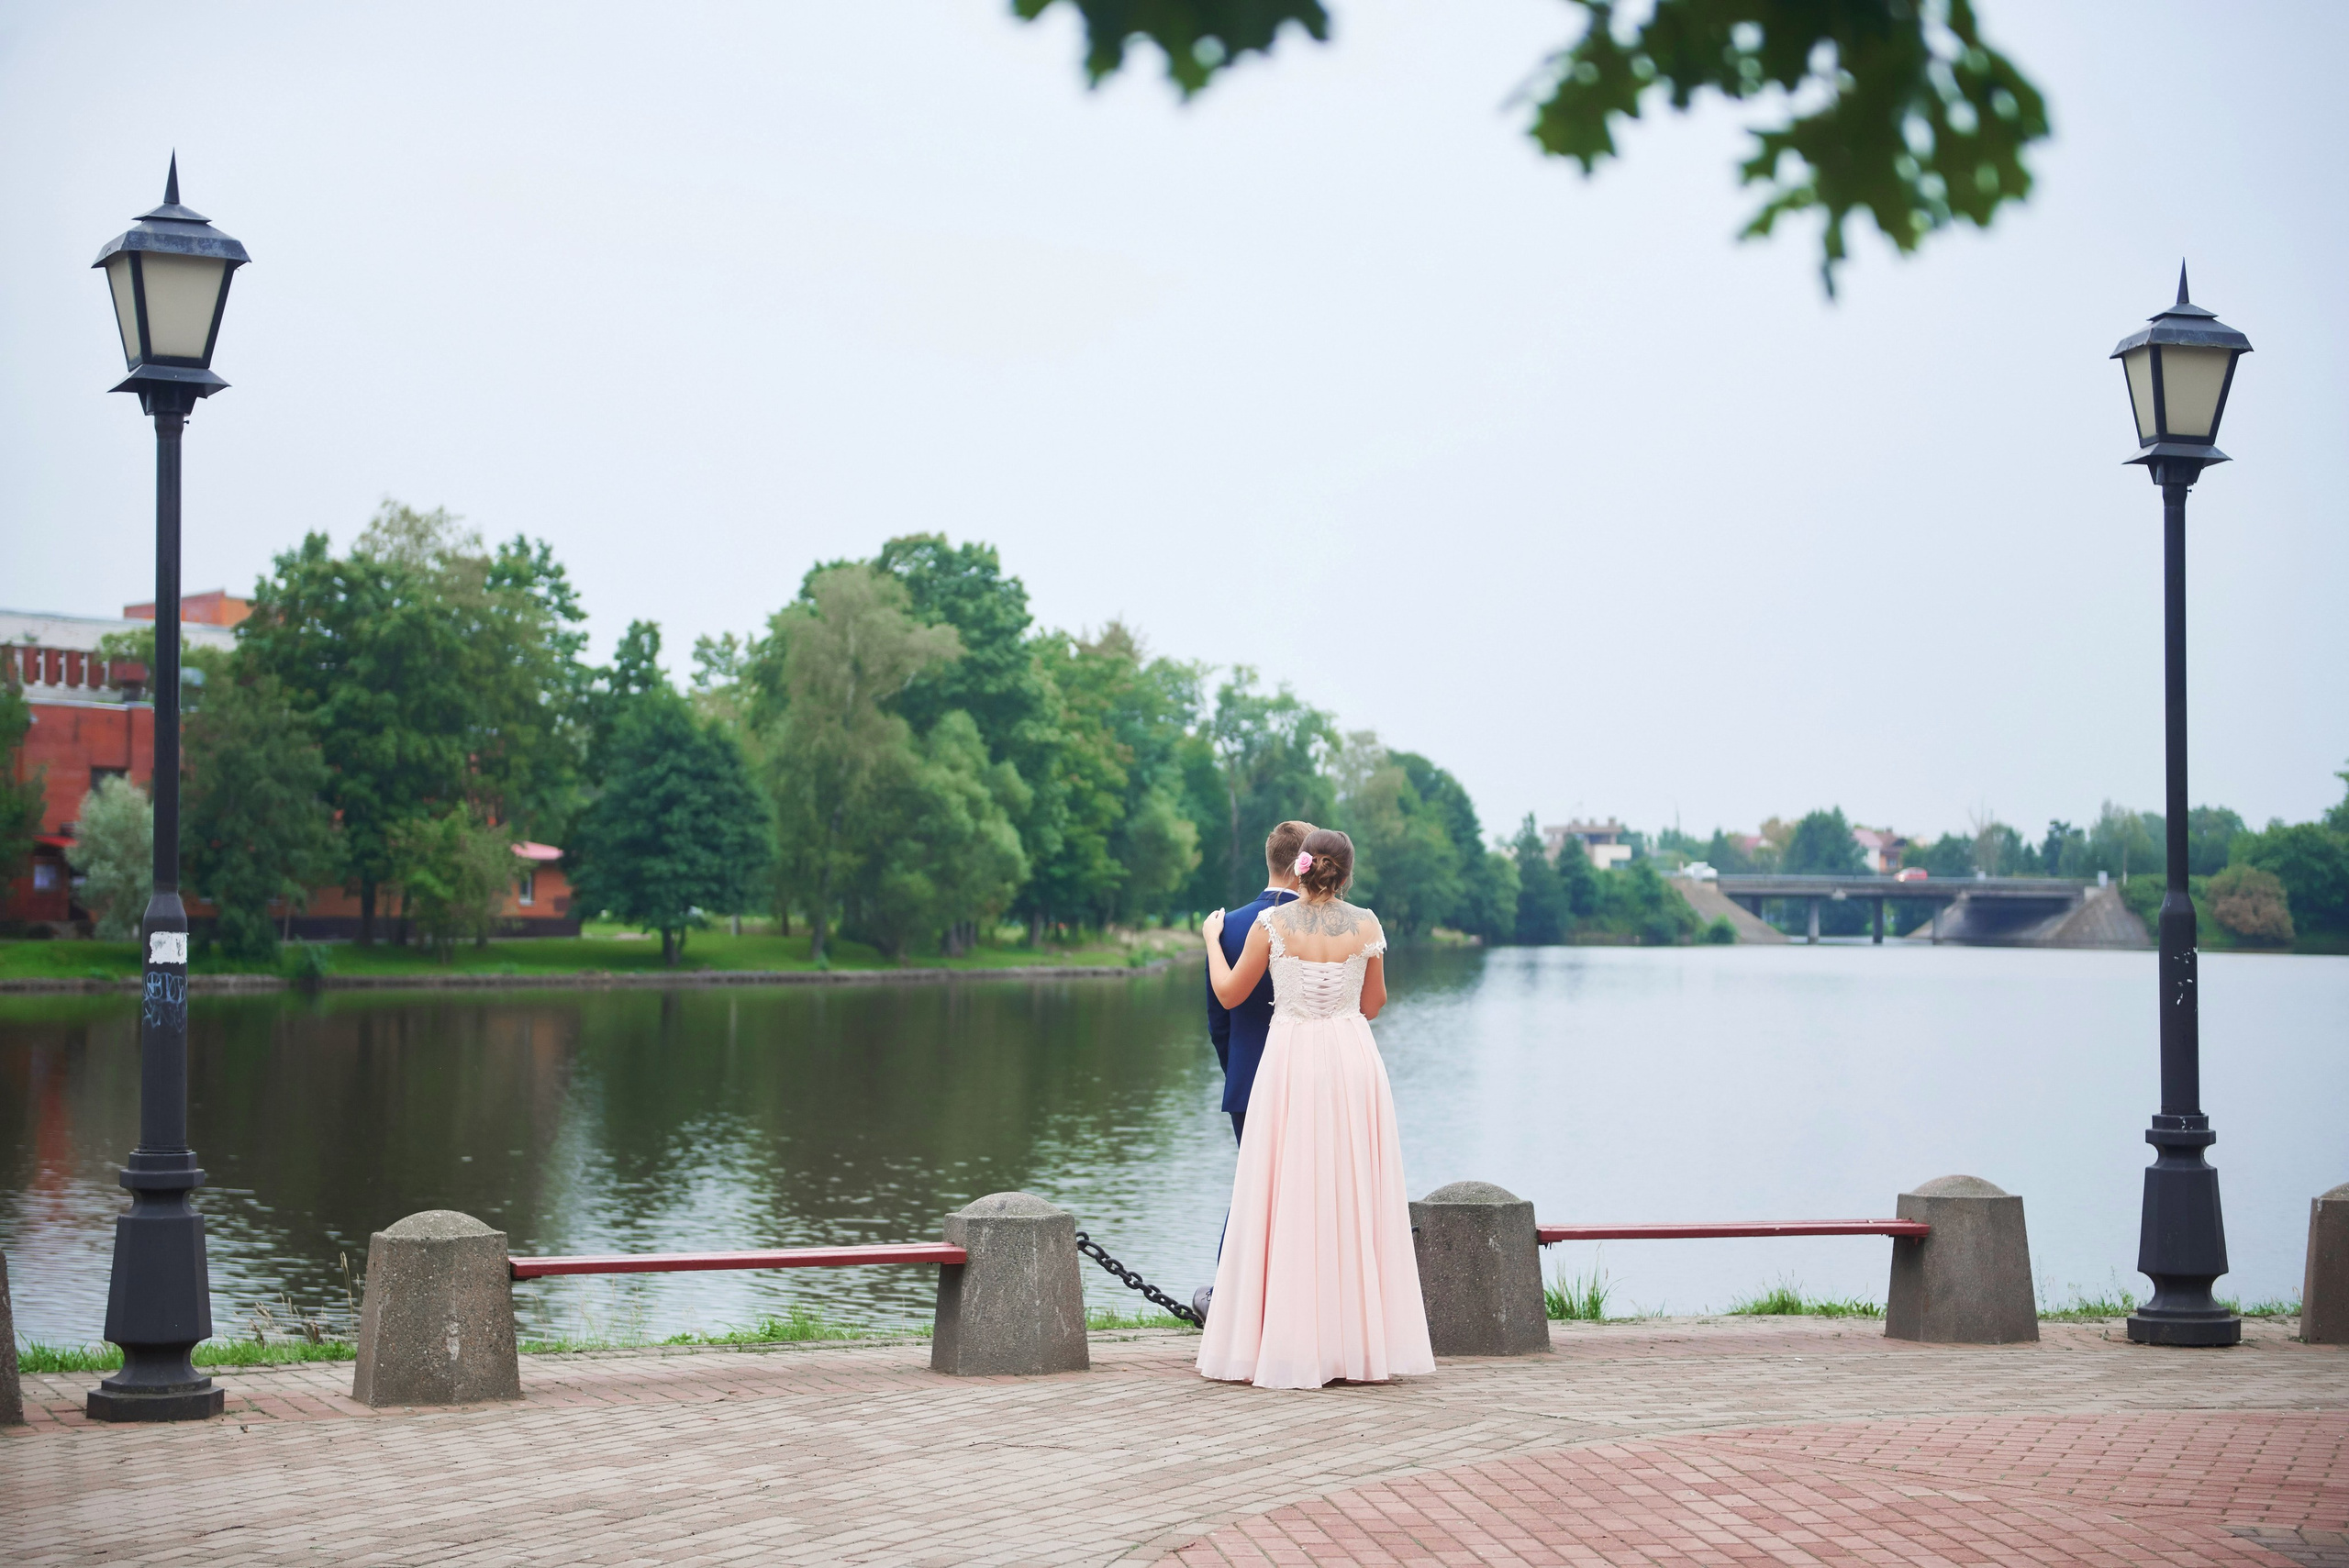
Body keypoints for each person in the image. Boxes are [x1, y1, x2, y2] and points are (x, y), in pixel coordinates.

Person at [1194, 828, 1434, 1389]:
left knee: (1286, 1190)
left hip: (1291, 1059)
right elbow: (1373, 1004)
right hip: (1352, 1061)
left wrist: (1210, 938)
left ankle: (1282, 1340)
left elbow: (1229, 994)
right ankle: (1356, 1344)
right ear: (1346, 872)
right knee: (1352, 1190)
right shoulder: (1367, 923)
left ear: (1300, 868)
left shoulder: (1270, 924)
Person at [1193, 820, 1313, 1324]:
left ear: (1270, 861)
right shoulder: (1327, 924)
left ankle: (1232, 1305)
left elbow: (1219, 1022)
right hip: (1314, 1080)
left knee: (1253, 1191)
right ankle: (1304, 1303)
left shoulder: (1229, 926)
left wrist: (1240, 1072)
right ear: (1309, 863)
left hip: (1248, 1083)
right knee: (1313, 1189)